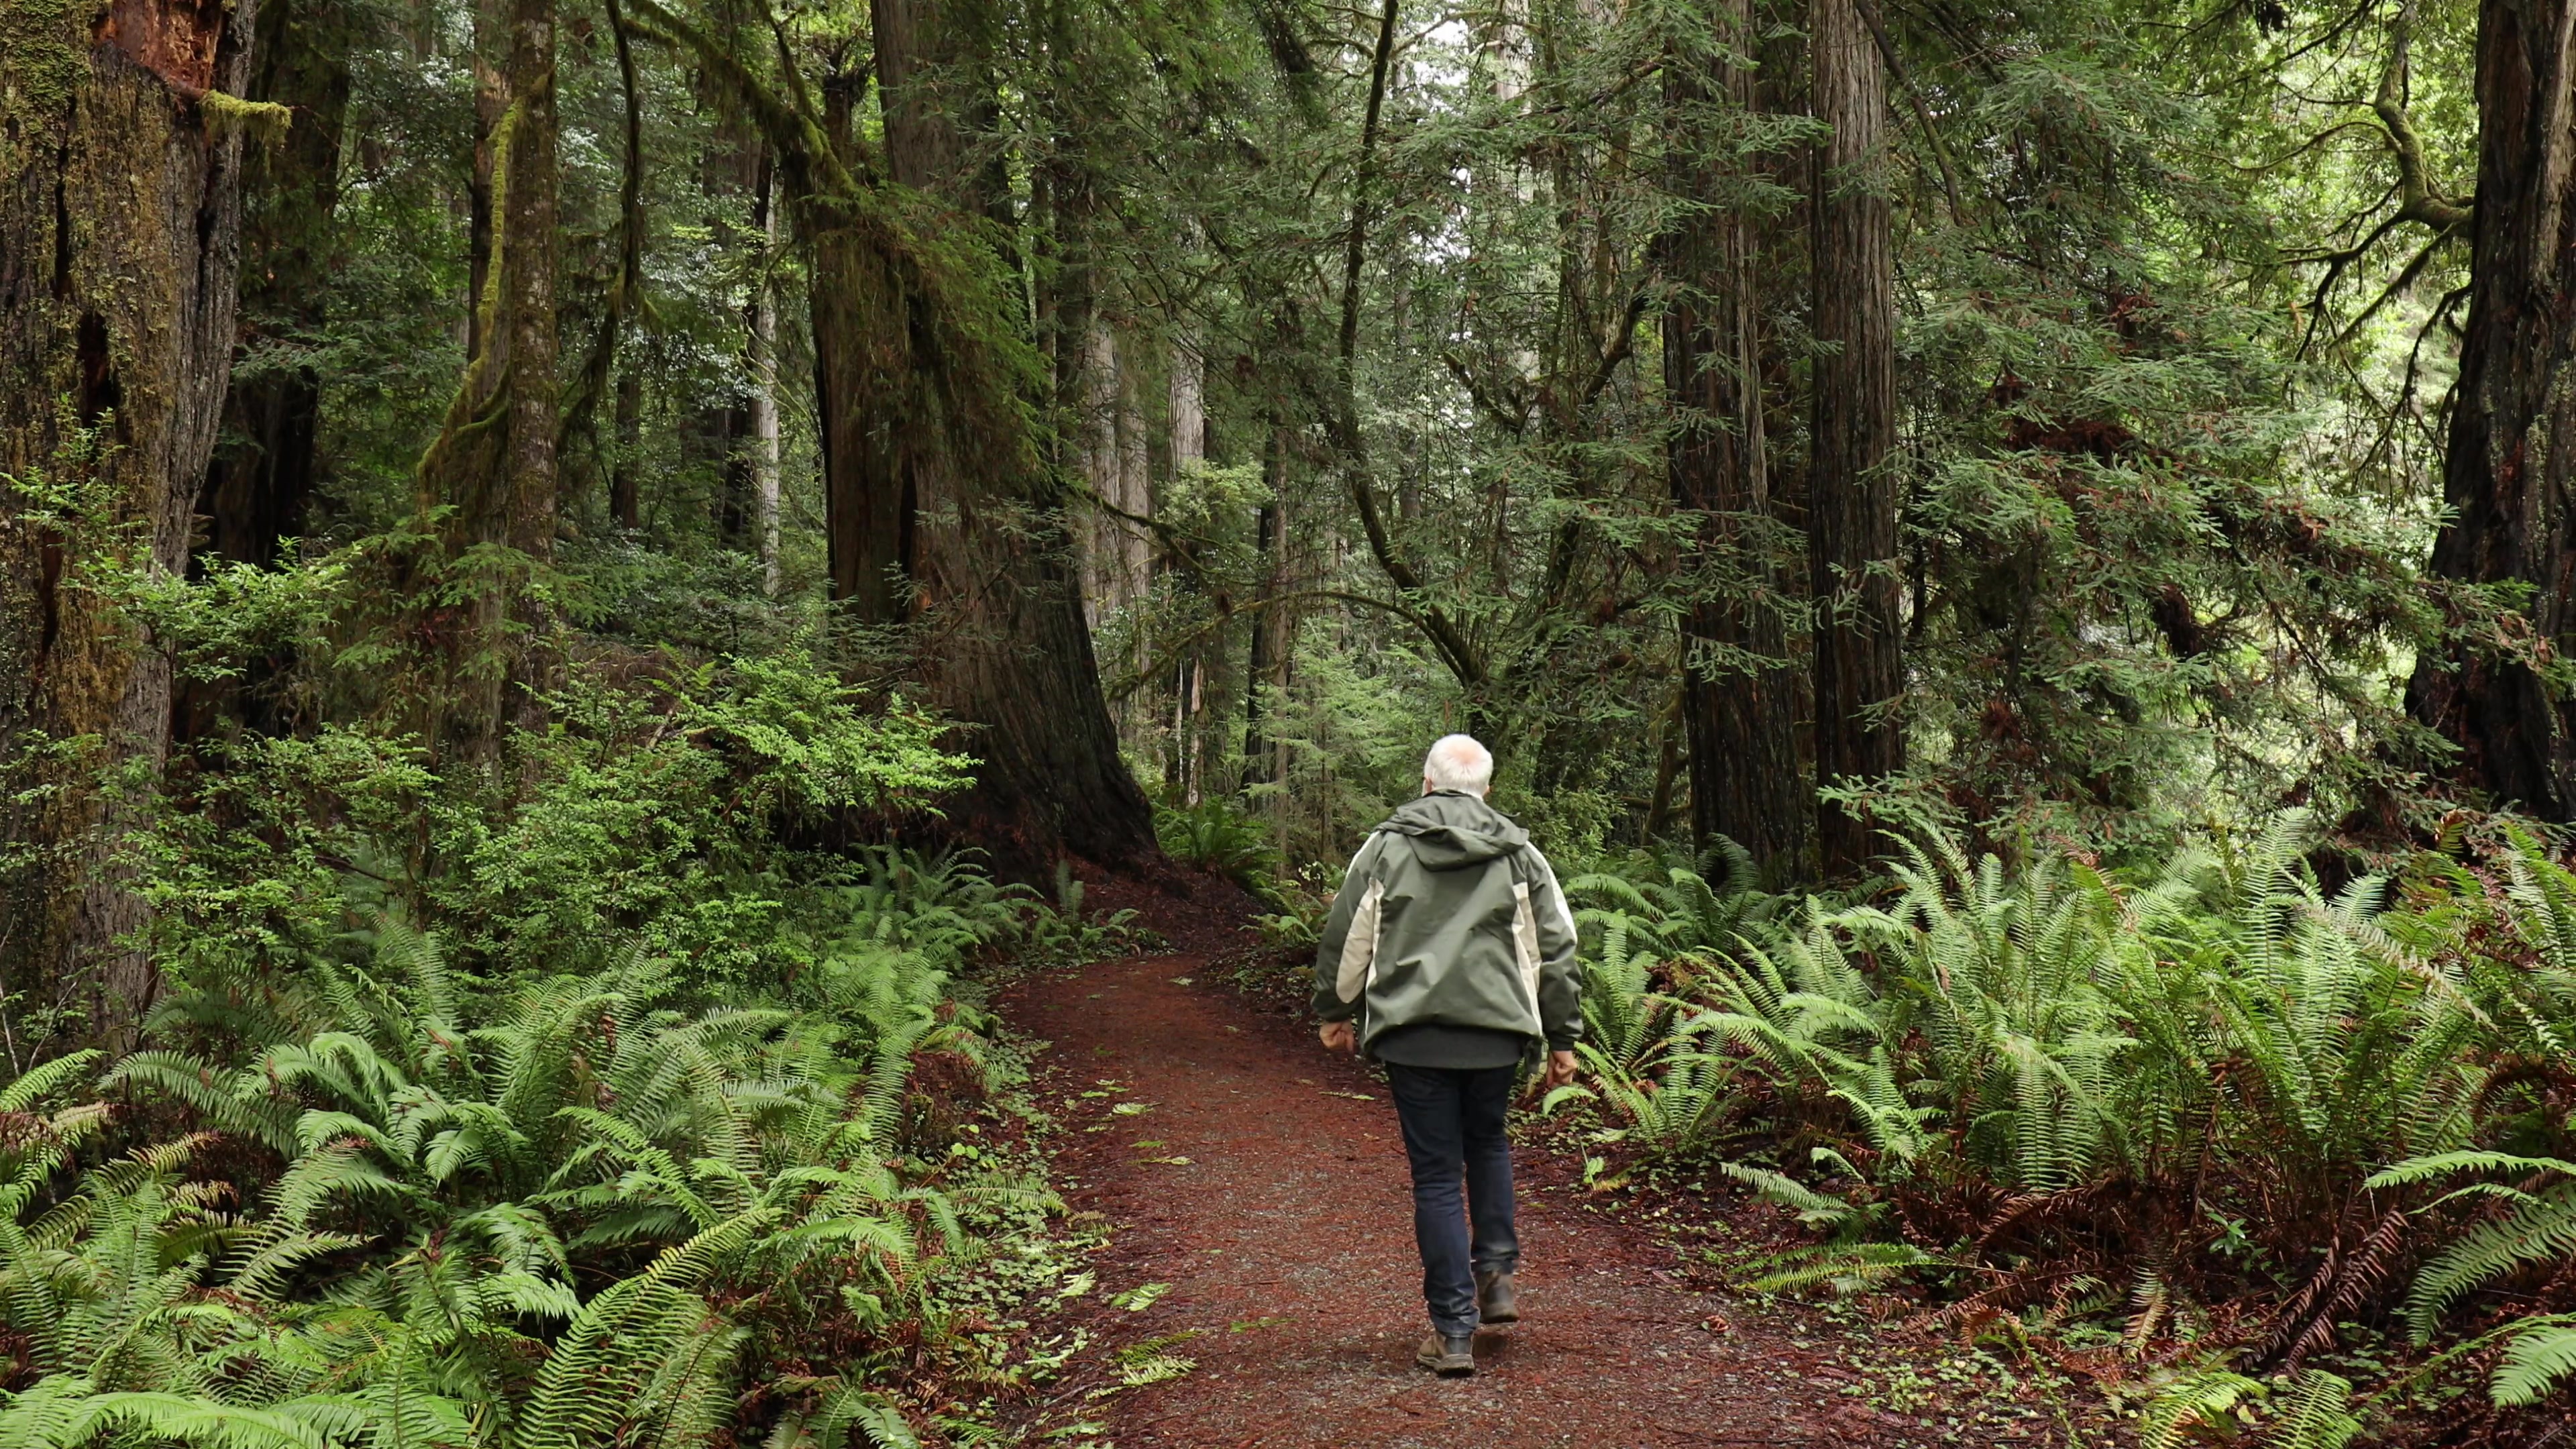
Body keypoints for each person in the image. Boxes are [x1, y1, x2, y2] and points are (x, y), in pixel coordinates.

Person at [1311, 734, 1582, 1378]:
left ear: (1427, 783)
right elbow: (1557, 948)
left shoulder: (1385, 847)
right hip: (1497, 1033)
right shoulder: (1521, 854)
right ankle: (1496, 1277)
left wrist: (1334, 1010)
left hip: (1413, 1035)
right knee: (1488, 1144)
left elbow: (1349, 935)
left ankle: (1452, 1333)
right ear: (1486, 789)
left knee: (1436, 1177)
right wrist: (1562, 1036)